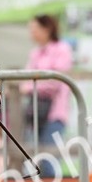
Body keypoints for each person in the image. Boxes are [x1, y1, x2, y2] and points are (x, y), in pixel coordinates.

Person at [18, 14, 73, 147]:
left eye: (35, 29)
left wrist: (28, 88)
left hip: (55, 112)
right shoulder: (35, 52)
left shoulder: (62, 49)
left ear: (46, 29)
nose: (32, 33)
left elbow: (56, 81)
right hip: (35, 111)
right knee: (35, 158)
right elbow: (26, 77)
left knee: (49, 159)